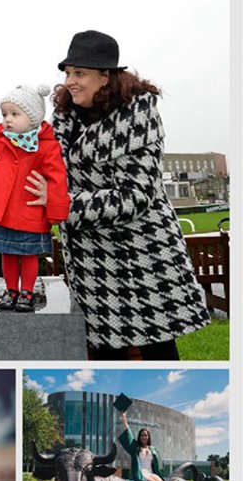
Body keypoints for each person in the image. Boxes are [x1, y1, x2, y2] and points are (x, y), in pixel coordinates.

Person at [38, 30, 210, 358]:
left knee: (157, 353)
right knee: (103, 358)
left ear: (106, 76)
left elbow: (135, 197)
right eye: (68, 73)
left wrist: (63, 204)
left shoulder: (137, 116)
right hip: (91, 265)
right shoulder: (63, 117)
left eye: (80, 73)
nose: (70, 81)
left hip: (140, 260)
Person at [0, 85, 70, 311]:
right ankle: (11, 289)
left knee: (29, 255)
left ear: (33, 118)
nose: (8, 120)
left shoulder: (47, 145)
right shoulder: (2, 140)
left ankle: (27, 291)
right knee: (8, 253)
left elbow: (57, 178)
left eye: (15, 114)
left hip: (29, 210)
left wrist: (55, 208)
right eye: (5, 114)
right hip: (3, 212)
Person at [118, 411, 177, 481]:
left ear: (148, 437)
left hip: (150, 472)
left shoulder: (152, 449)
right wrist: (124, 419)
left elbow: (154, 465)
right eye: (142, 435)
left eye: (146, 435)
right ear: (139, 437)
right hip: (141, 473)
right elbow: (128, 433)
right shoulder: (135, 448)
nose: (144, 437)